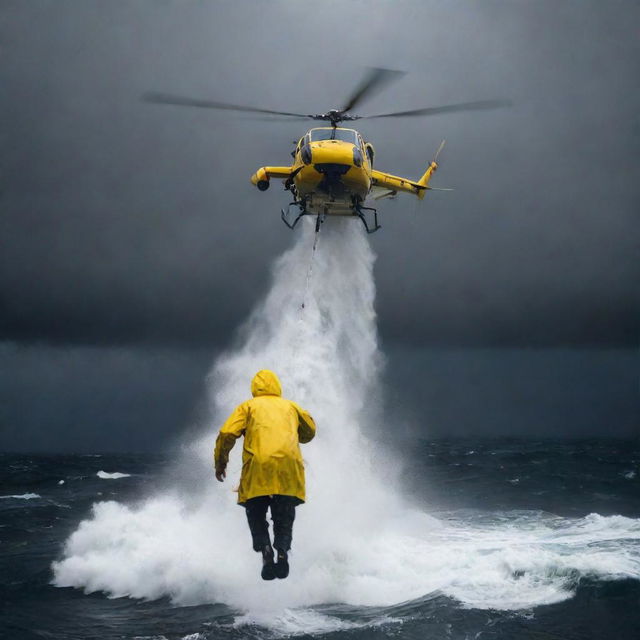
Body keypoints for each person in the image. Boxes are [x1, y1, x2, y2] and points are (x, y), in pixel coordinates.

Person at [214, 369, 316, 580]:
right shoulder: (291, 406)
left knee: (256, 512)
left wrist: (221, 462)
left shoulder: (248, 407)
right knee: (284, 514)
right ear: (277, 386)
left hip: (258, 469)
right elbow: (310, 432)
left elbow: (226, 433)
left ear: (255, 388)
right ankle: (282, 552)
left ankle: (266, 551)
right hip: (288, 468)